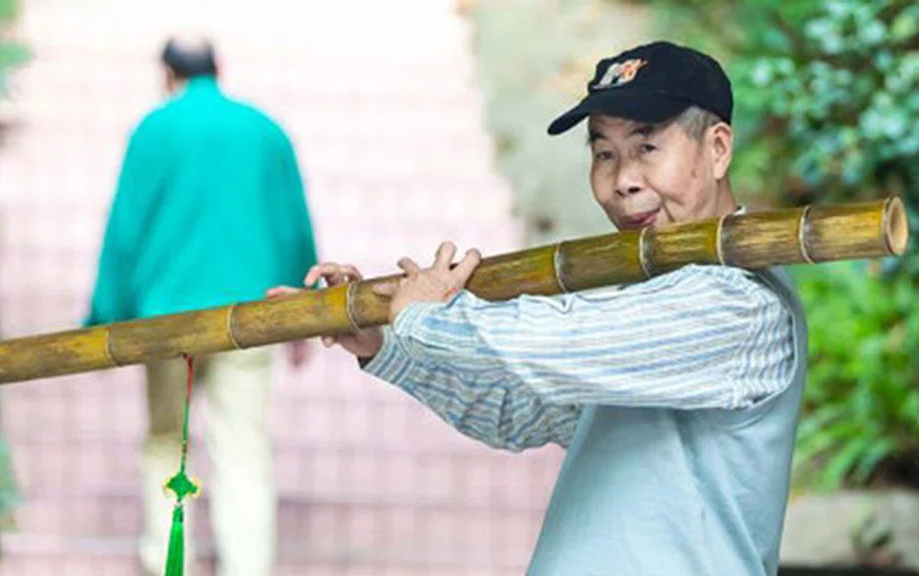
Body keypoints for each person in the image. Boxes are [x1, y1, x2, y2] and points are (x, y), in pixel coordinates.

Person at [269, 41, 806, 575]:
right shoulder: (650, 302)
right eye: (604, 154)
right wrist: (385, 342)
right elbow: (518, 415)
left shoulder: (741, 303)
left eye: (646, 148)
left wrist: (426, 318)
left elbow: (561, 341)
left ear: (717, 149)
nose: (623, 180)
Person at [85, 35, 318, 576]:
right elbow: (292, 227)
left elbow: (125, 232)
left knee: (169, 440)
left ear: (168, 75)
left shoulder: (153, 130)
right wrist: (304, 316)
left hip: (167, 321)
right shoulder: (264, 131)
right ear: (219, 68)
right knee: (244, 449)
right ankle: (249, 567)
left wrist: (103, 316)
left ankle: (170, 565)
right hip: (250, 319)